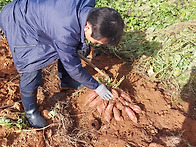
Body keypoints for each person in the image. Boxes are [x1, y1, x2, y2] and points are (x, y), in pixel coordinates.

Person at [0, 0, 124, 128]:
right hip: (18, 20)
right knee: (32, 69)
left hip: (43, 17)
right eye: (97, 42)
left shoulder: (88, 3)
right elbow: (73, 67)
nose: (95, 45)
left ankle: (66, 81)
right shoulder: (65, 33)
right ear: (88, 27)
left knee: (76, 46)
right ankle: (30, 112)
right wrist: (96, 86)